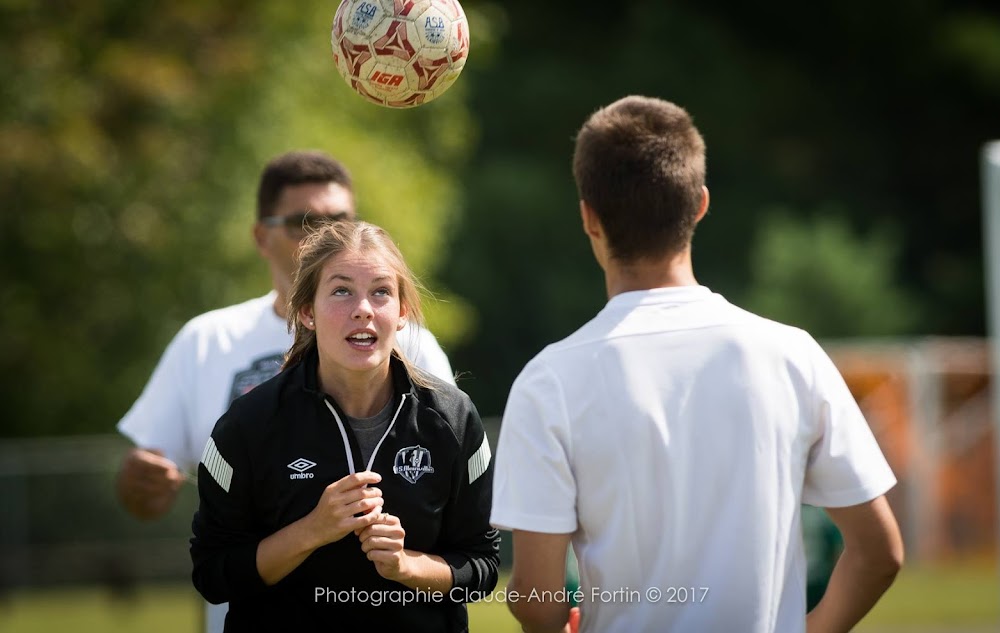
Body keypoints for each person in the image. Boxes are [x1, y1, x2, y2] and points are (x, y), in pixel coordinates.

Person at [490, 96, 903, 633]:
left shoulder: (549, 382)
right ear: (700, 203)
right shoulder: (791, 353)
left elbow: (536, 599)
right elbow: (880, 553)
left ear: (588, 217)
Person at [114, 150, 456, 632]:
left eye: (339, 220)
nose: (322, 236)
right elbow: (146, 499)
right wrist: (139, 483)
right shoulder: (208, 340)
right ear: (261, 236)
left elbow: (454, 505)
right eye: (302, 222)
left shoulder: (410, 344)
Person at [190, 220, 499, 631]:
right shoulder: (248, 425)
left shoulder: (453, 418)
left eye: (381, 292)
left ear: (402, 312)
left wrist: (406, 567)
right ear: (307, 312)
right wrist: (312, 530)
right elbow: (213, 574)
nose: (363, 309)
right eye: (341, 290)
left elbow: (482, 565)